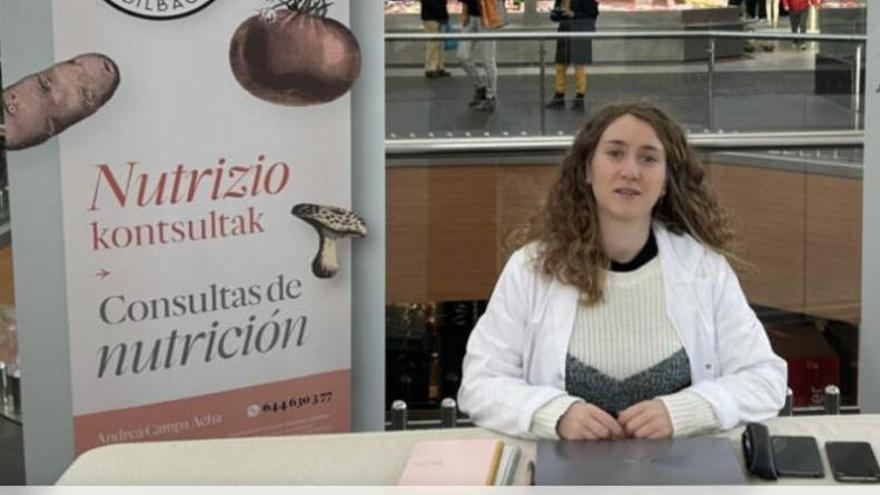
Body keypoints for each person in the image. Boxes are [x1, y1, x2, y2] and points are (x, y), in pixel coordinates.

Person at [458, 101, 787, 440]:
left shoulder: (705, 269)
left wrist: (688, 410)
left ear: (665, 181)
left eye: (648, 158)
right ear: (587, 170)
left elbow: (765, 379)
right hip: (567, 468)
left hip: (680, 468)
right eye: (615, 153)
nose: (631, 171)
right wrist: (553, 413)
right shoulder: (531, 269)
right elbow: (480, 384)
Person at [546, 0, 599, 112]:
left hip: (579, 32)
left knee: (579, 66)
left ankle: (580, 98)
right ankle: (559, 96)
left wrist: (573, 14)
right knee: (560, 66)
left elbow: (592, 15)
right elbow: (555, 17)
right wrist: (555, 13)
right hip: (564, 32)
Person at [457, 0, 507, 112]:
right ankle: (480, 86)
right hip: (470, 18)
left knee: (488, 60)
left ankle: (491, 96)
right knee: (462, 55)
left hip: (487, 18)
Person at [420, 0, 451, 79]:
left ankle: (439, 67)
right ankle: (431, 69)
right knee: (433, 43)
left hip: (437, 16)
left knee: (438, 44)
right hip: (431, 16)